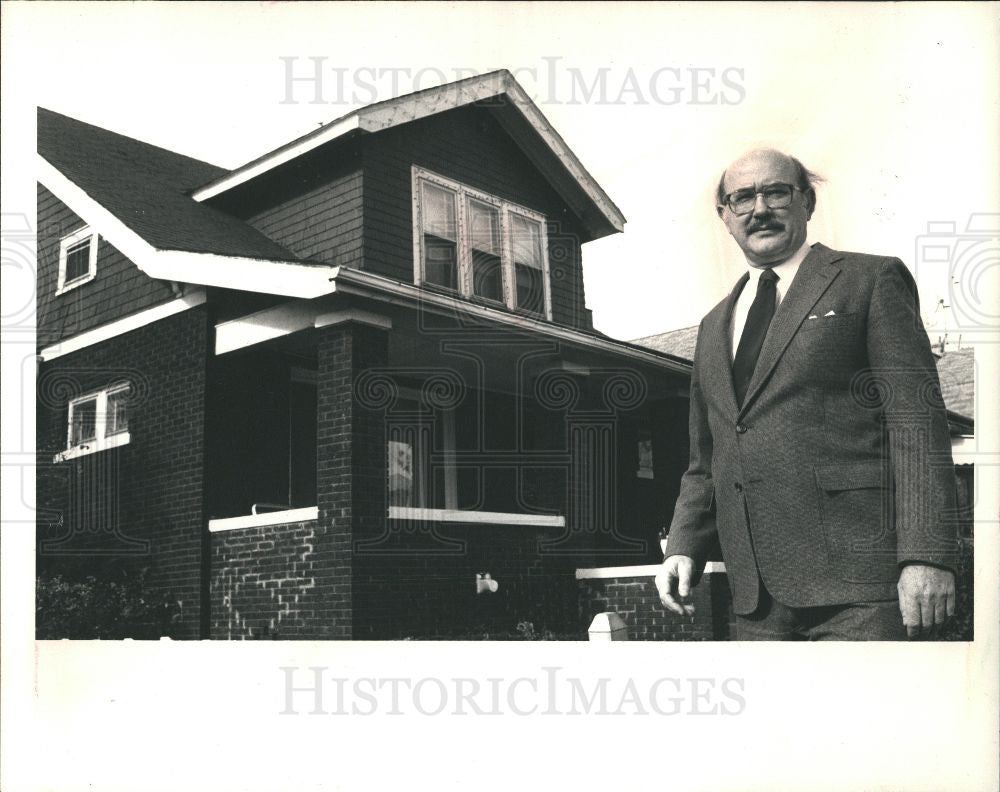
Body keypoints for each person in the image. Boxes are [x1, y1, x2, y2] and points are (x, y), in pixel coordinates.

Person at [655, 148, 959, 640]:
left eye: (776, 192)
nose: (760, 209)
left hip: (862, 587)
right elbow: (705, 459)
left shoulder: (869, 281)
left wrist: (927, 556)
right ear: (725, 216)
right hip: (755, 600)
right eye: (743, 198)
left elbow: (917, 423)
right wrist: (684, 545)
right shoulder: (714, 326)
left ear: (808, 203)